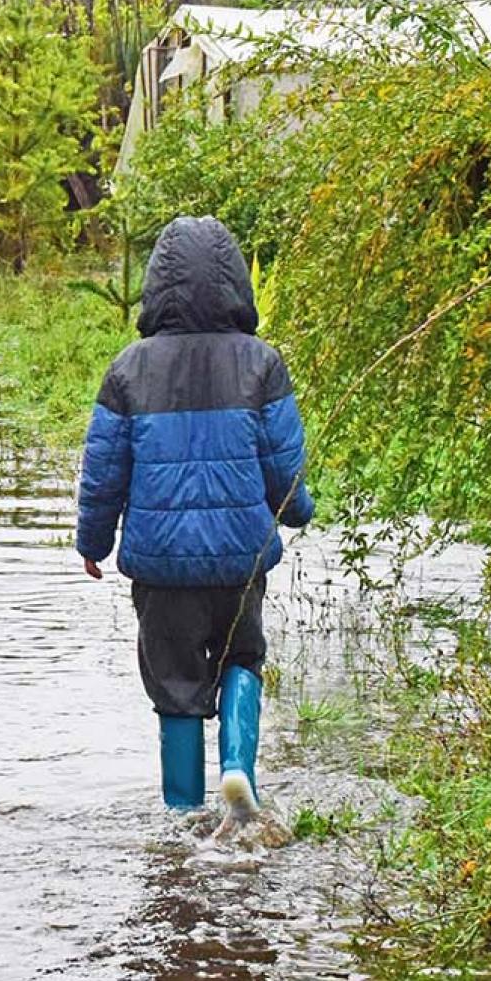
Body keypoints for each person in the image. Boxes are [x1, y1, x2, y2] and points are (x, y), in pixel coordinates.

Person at [75, 217, 314, 820]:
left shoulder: (128, 369)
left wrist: (93, 542)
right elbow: (283, 464)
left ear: (158, 286)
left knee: (175, 687)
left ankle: (183, 820)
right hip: (239, 559)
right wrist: (299, 511)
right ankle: (238, 770)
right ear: (235, 282)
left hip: (162, 569)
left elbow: (104, 470)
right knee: (243, 657)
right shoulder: (263, 364)